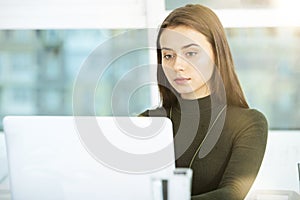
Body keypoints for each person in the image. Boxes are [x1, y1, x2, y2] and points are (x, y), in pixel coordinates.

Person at [140, 4, 268, 200]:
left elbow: (231, 195)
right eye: (168, 55)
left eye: (191, 53)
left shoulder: (248, 123)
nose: (177, 65)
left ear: (217, 54)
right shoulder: (147, 121)